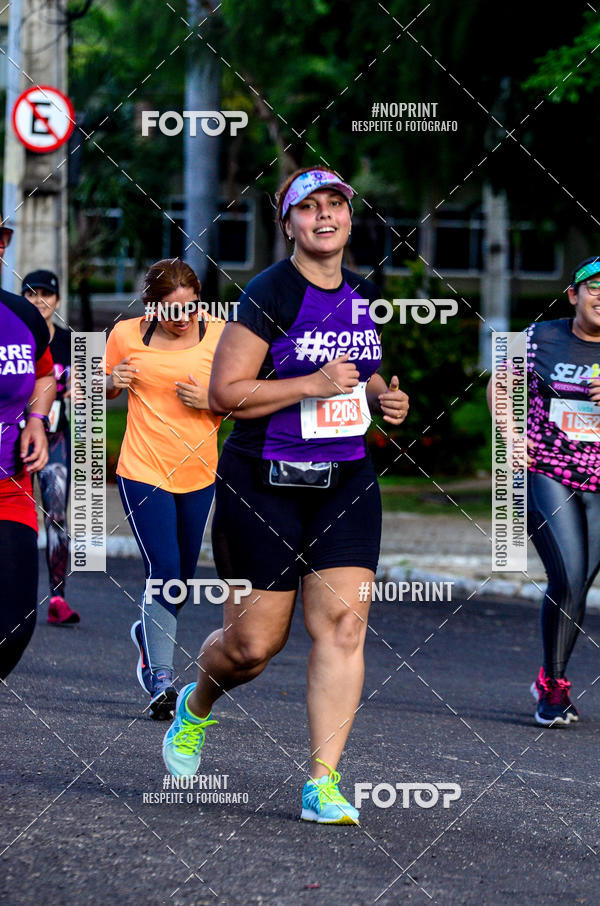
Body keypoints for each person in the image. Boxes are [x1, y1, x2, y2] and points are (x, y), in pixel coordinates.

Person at [162, 166, 409, 824]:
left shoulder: (363, 292)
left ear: (349, 218)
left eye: (335, 205)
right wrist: (311, 385)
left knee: (344, 626)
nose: (324, 216)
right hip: (262, 483)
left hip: (346, 481)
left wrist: (385, 397)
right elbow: (225, 395)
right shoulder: (269, 293)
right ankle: (196, 706)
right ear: (289, 224)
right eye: (310, 208)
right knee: (251, 647)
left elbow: (365, 367)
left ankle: (322, 784)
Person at [104, 258, 224, 720]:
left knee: (183, 579)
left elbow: (244, 396)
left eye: (190, 308)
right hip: (142, 468)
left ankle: (146, 636)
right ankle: (160, 679)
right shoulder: (125, 334)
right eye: (172, 310)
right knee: (166, 569)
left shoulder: (219, 333)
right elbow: (95, 390)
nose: (182, 319)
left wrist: (211, 399)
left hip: (199, 472)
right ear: (150, 307)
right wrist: (111, 381)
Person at [489, 256, 600, 726]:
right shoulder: (540, 336)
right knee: (569, 575)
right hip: (548, 470)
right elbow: (500, 382)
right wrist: (513, 438)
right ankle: (554, 687)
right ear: (573, 295)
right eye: (593, 287)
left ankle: (547, 675)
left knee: (580, 586)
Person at [0, 227, 57, 679]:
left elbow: (42, 376)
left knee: (13, 627)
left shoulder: (22, 315)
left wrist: (37, 419)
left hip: (10, 487)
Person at [22, 270, 79, 625]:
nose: (40, 300)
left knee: (56, 517)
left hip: (55, 437)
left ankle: (58, 598)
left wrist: (82, 387)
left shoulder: (71, 341)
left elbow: (94, 388)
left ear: (57, 300)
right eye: (32, 294)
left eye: (47, 294)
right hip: (13, 439)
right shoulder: (12, 336)